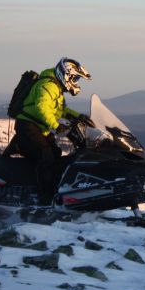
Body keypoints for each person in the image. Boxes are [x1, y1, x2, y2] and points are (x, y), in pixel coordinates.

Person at [12, 57, 91, 205]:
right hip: (28, 126)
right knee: (46, 155)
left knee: (56, 153)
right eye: (75, 78)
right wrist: (55, 125)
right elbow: (41, 107)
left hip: (37, 128)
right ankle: (45, 198)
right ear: (66, 74)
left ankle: (47, 188)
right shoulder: (48, 85)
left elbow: (60, 110)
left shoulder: (56, 87)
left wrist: (78, 116)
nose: (75, 82)